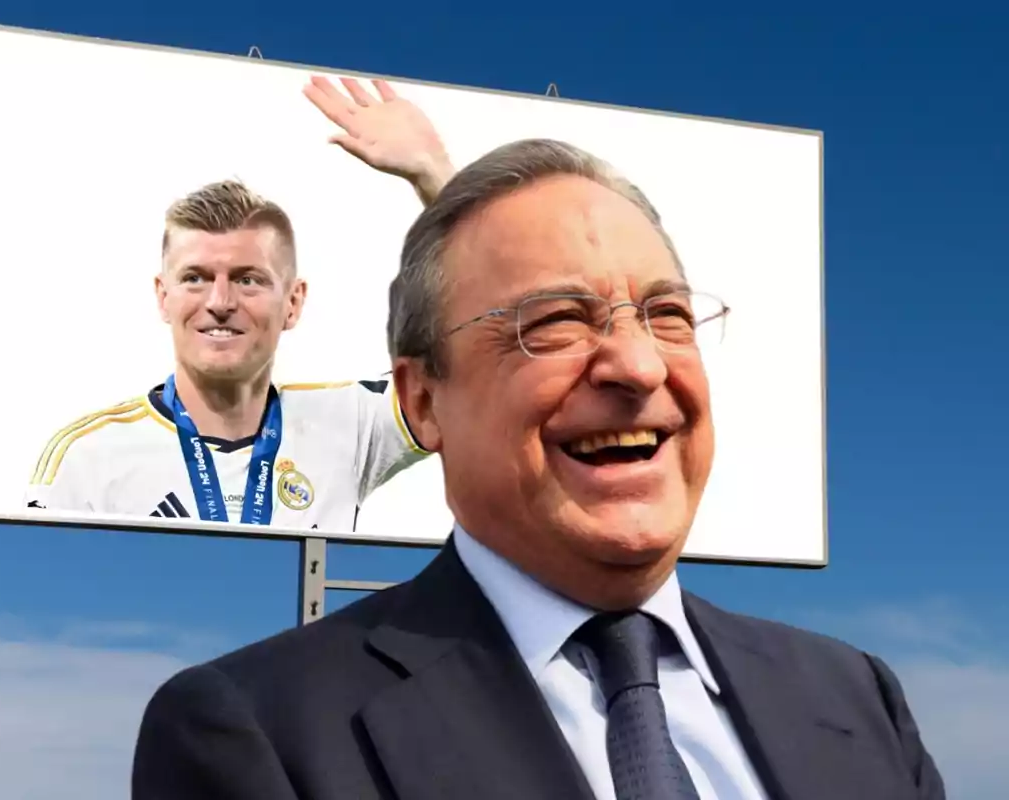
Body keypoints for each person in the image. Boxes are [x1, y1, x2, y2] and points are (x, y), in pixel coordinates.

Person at [131, 138, 946, 799]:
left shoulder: (854, 696)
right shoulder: (257, 735)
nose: (639, 366)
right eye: (554, 321)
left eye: (667, 315)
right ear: (421, 403)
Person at [24, 76, 455, 532]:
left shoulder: (348, 426)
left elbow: (471, 359)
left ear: (294, 302)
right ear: (162, 296)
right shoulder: (87, 459)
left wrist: (435, 176)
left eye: (248, 280)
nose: (220, 301)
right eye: (196, 278)